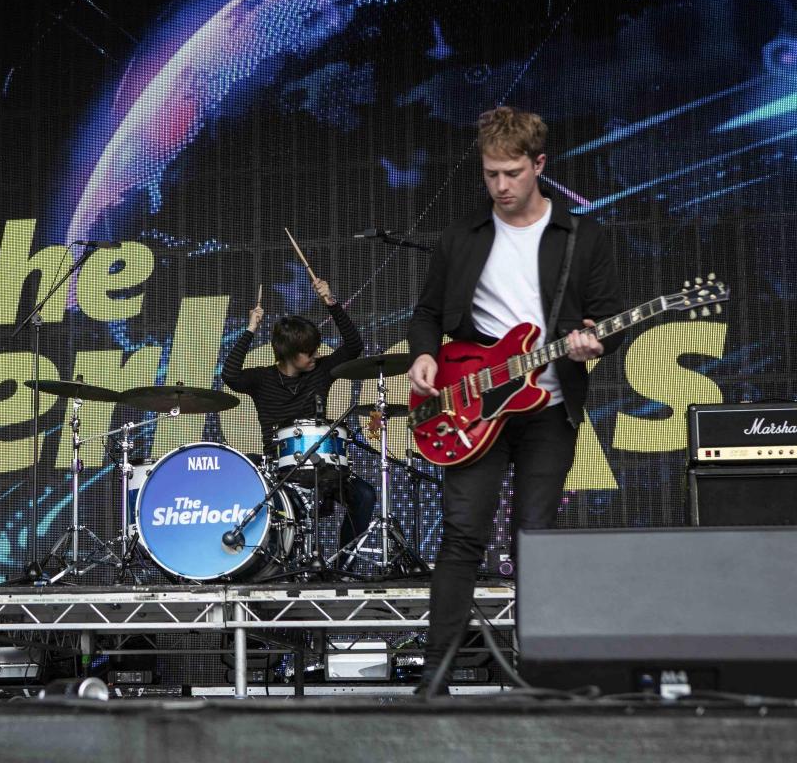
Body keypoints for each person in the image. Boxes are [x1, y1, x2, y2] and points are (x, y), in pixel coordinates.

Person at [406, 106, 624, 694]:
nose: (500, 186)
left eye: (512, 173)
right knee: (462, 535)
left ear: (539, 165)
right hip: (472, 401)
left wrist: (589, 342)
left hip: (548, 407)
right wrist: (424, 355)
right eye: (490, 174)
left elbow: (607, 322)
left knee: (536, 536)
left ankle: (540, 673)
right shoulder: (462, 237)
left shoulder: (583, 235)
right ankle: (436, 677)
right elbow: (426, 314)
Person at [222, 275, 376, 559]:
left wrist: (330, 302)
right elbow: (229, 375)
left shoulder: (321, 370)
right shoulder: (261, 379)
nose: (316, 355)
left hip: (322, 463)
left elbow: (354, 346)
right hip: (280, 468)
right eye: (309, 352)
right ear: (290, 353)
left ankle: (344, 566)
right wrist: (250, 329)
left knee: (364, 495)